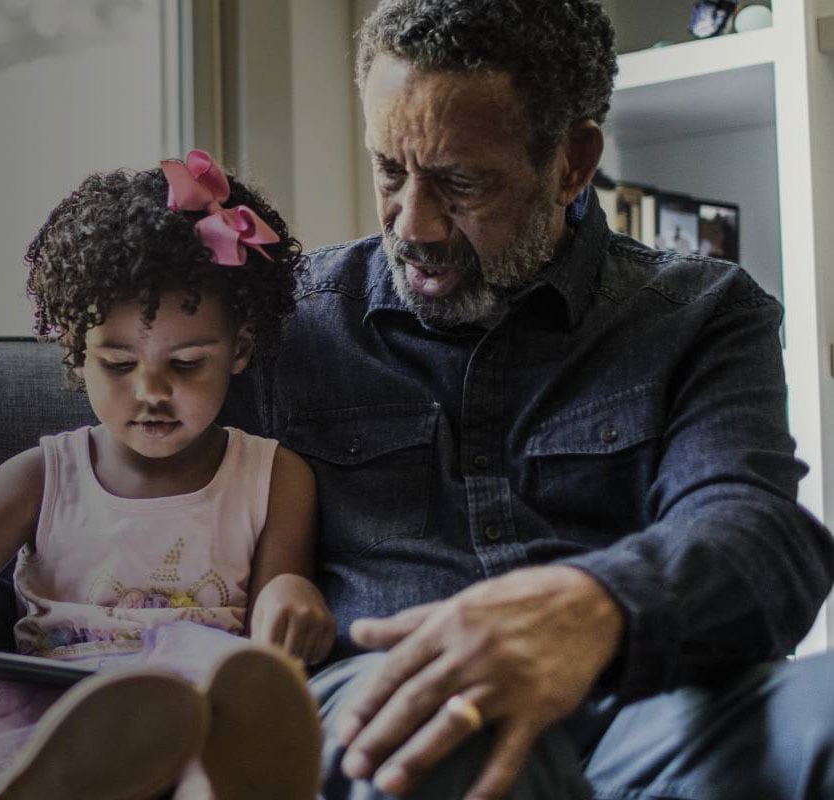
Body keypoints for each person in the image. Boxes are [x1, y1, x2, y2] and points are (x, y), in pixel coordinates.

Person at [221, 1, 834, 798]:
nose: (414, 222)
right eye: (389, 170)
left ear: (573, 161)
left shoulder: (700, 313)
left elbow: (761, 537)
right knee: (449, 732)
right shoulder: (290, 322)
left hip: (644, 721)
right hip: (386, 711)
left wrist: (596, 605)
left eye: (459, 182)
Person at [0, 150, 333, 799]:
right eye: (118, 364)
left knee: (223, 726)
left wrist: (295, 601)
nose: (151, 392)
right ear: (75, 353)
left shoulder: (275, 477)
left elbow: (278, 599)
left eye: (188, 364)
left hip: (200, 707)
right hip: (54, 712)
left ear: (241, 351)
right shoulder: (38, 478)